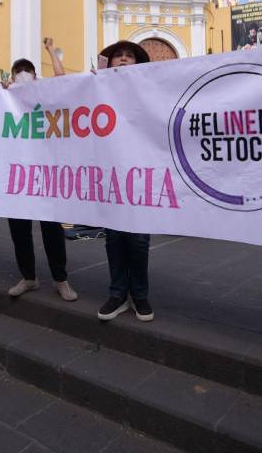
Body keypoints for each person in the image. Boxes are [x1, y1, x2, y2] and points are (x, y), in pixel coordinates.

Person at [4, 38, 78, 302]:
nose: (23, 75)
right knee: (19, 232)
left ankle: (61, 280)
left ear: (35, 75)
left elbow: (62, 78)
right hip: (17, 178)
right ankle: (29, 278)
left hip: (46, 176)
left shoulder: (46, 93)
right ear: (12, 76)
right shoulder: (6, 98)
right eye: (18, 71)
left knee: (52, 230)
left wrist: (50, 51)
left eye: (28, 70)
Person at [91, 41, 155, 323]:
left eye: (130, 56)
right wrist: (18, 92)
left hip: (142, 174)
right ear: (110, 61)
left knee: (139, 241)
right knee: (114, 239)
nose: (124, 59)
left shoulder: (152, 88)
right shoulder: (93, 87)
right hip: (110, 175)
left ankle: (139, 295)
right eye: (119, 55)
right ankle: (118, 294)